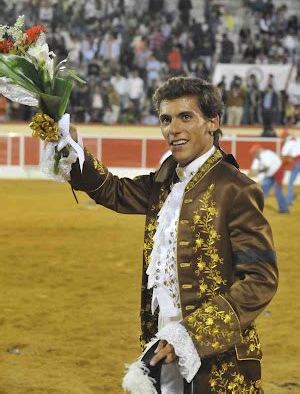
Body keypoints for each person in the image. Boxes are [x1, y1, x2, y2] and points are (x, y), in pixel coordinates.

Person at [65, 77, 278, 393]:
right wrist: (72, 149)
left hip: (217, 350)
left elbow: (261, 279)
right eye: (166, 119)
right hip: (163, 338)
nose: (173, 129)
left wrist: (191, 335)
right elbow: (113, 191)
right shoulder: (163, 183)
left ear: (213, 122)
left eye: (185, 117)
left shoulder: (237, 189)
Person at [248, 144, 288, 214]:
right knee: (263, 190)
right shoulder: (258, 158)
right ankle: (257, 207)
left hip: (278, 171)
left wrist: (258, 172)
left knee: (277, 191)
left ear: (258, 151)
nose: (254, 155)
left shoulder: (266, 154)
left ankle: (284, 209)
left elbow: (266, 168)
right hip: (270, 173)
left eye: (254, 153)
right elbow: (253, 171)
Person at [280, 130, 300, 206]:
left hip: (297, 162)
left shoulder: (288, 143)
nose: (282, 140)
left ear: (285, 137)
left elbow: (283, 156)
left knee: (290, 183)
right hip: (296, 161)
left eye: (283, 138)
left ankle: (289, 201)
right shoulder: (298, 139)